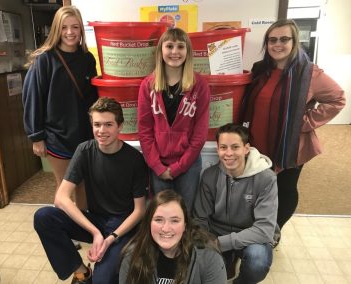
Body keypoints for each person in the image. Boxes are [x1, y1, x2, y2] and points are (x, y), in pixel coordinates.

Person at [240, 19, 345, 230]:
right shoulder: (260, 70)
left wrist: (304, 122)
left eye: (284, 39)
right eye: (272, 40)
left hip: (290, 145)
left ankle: (273, 230)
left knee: (284, 189)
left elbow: (338, 99)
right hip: (257, 139)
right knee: (259, 187)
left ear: (294, 41)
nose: (277, 45)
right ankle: (257, 226)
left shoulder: (309, 74)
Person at [33, 97, 148, 284]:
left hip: (121, 226)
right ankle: (82, 273)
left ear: (120, 126)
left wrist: (110, 239)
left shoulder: (134, 159)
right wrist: (95, 232)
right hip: (95, 220)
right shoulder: (84, 150)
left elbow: (139, 210)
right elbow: (61, 198)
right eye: (97, 124)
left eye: (108, 124)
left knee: (102, 281)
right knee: (44, 217)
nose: (102, 131)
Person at [22, 6, 98, 210]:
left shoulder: (87, 59)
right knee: (65, 187)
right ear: (56, 29)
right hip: (57, 136)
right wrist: (36, 136)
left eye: (75, 27)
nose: (70, 32)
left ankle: (83, 229)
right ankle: (65, 231)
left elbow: (93, 98)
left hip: (85, 134)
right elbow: (32, 98)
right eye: (64, 27)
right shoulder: (44, 60)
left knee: (84, 184)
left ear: (81, 29)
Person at [193, 123, 278, 284]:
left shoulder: (267, 179)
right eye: (223, 147)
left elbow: (264, 229)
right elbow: (200, 218)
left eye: (235, 147)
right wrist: (205, 243)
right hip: (216, 233)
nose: (229, 153)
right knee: (203, 265)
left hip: (251, 236)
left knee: (257, 262)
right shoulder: (209, 176)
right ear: (217, 149)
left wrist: (221, 243)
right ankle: (227, 262)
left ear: (246, 149)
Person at [137, 28, 210, 211]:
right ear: (161, 50)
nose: (175, 52)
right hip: (158, 164)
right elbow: (144, 131)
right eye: (169, 46)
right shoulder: (148, 85)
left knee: (186, 212)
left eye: (180, 47)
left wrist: (178, 167)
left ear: (188, 52)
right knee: (161, 213)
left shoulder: (199, 85)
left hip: (188, 164)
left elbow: (200, 135)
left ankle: (185, 241)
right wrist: (158, 166)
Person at [120, 189, 226, 284]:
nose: (166, 228)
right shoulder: (132, 256)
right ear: (149, 223)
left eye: (174, 221)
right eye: (158, 220)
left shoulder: (209, 258)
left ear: (185, 225)